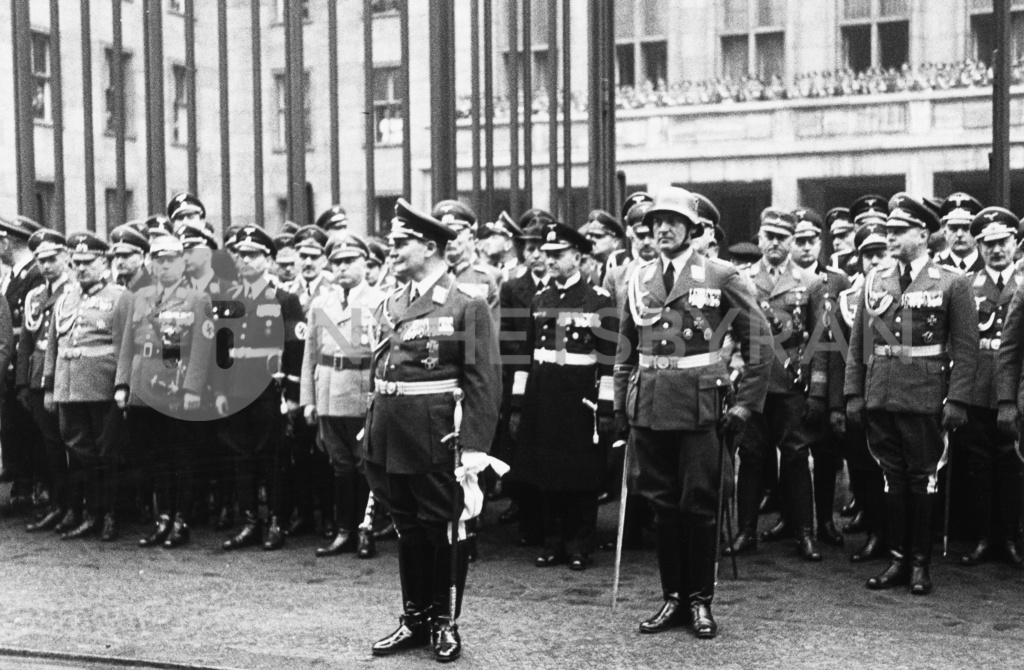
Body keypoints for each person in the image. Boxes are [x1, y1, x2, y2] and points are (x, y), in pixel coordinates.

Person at [614, 186, 771, 639]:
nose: (661, 229)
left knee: (699, 504)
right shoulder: (638, 278)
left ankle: (701, 600)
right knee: (662, 504)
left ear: (694, 229)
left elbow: (758, 343)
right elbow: (625, 350)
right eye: (655, 222)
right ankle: (673, 598)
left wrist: (745, 405)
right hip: (650, 405)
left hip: (702, 405)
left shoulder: (721, 275)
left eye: (672, 222)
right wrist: (619, 405)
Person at [365, 199, 500, 663]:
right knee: (407, 527)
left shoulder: (466, 304)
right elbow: (380, 367)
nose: (392, 250)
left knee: (444, 528)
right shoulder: (391, 302)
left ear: (429, 246)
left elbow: (483, 380)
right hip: (392, 430)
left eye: (401, 243)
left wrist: (475, 449)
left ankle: (444, 620)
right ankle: (414, 617)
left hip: (437, 434)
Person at [845, 193, 978, 596]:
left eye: (899, 230)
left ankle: (920, 563)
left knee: (923, 481)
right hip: (881, 393)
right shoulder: (875, 279)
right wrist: (853, 392)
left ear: (923, 233)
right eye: (888, 230)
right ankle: (898, 559)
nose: (890, 237)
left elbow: (967, 349)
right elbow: (859, 344)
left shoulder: (952, 282)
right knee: (892, 479)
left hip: (924, 395)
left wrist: (957, 400)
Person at [724, 208, 827, 562]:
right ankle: (746, 531)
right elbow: (729, 335)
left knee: (797, 456)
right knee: (750, 456)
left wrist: (816, 389)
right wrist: (730, 375)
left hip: (791, 383)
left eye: (783, 238)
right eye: (769, 236)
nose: (775, 244)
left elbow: (818, 341)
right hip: (753, 383)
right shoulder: (741, 279)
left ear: (792, 242)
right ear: (760, 238)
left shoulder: (810, 283)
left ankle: (805, 533)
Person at [514, 221, 616, 571]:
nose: (550, 260)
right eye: (547, 254)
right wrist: (517, 404)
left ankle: (580, 544)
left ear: (578, 257)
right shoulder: (539, 299)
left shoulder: (598, 300)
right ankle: (552, 541)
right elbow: (526, 355)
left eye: (558, 254)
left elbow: (609, 361)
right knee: (547, 474)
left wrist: (605, 407)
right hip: (544, 398)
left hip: (579, 401)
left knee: (580, 477)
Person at [115, 234, 213, 548]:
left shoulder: (197, 298)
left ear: (182, 262)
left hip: (176, 385)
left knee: (179, 457)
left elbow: (201, 348)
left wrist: (193, 388)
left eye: (170, 259)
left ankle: (181, 519)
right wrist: (122, 384)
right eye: (158, 259)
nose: (164, 265)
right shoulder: (139, 296)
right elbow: (127, 345)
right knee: (154, 457)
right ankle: (163, 518)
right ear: (150, 262)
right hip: (144, 386)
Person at [218, 225, 305, 552]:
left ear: (268, 259)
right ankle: (250, 521)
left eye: (253, 254)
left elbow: (295, 350)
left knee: (272, 457)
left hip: (270, 387)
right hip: (237, 387)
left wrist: (294, 396)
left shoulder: (285, 298)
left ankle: (276, 522)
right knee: (241, 456)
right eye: (240, 254)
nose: (245, 260)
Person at [43, 232, 133, 541]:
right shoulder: (65, 299)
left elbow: (125, 346)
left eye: (87, 262)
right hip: (69, 388)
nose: (80, 268)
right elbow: (54, 346)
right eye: (75, 263)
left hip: (103, 386)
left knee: (107, 453)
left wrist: (122, 385)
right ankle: (91, 513)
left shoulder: (120, 297)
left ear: (104, 263)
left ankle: (109, 515)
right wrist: (50, 387)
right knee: (79, 452)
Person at [300, 233, 385, 558]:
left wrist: (379, 399)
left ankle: (366, 530)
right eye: (336, 262)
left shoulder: (380, 300)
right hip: (328, 393)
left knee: (365, 465)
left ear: (365, 263)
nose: (342, 268)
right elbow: (311, 354)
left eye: (350, 261)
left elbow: (383, 356)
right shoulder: (321, 303)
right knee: (340, 466)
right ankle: (343, 530)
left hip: (361, 393)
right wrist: (309, 400)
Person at [953, 207, 1023, 568]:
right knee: (979, 464)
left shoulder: (1022, 283)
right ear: (979, 245)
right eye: (989, 244)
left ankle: (1009, 539)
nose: (996, 250)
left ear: (1015, 242)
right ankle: (983, 538)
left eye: (1003, 242)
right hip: (978, 386)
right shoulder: (965, 284)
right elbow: (960, 342)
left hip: (1016, 388)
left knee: (1012, 463)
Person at [792, 208, 852, 547]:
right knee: (793, 454)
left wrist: (828, 397)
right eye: (798, 240)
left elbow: (835, 341)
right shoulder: (778, 280)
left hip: (825, 380)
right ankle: (793, 522)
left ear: (820, 242)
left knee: (827, 455)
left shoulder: (836, 281)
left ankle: (826, 521)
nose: (805, 247)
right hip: (787, 378)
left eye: (811, 240)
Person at [835, 224, 891, 562]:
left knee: (897, 468)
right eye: (869, 255)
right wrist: (845, 398)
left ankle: (902, 537)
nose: (876, 260)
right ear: (859, 260)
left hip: (896, 389)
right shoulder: (848, 300)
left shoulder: (906, 292)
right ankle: (875, 533)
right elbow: (841, 355)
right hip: (861, 393)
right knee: (865, 468)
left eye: (882, 252)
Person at [497, 215, 552, 546]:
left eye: (542, 247)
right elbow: (508, 336)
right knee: (522, 449)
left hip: (558, 378)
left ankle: (552, 521)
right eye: (529, 247)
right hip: (523, 378)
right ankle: (528, 518)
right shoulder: (513, 287)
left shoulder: (571, 285)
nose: (536, 254)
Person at [19, 230, 71, 533]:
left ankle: (73, 505)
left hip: (64, 376)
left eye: (52, 258)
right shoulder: (34, 296)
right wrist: (23, 383)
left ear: (65, 257)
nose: (47, 265)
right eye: (41, 260)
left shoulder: (72, 292)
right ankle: (57, 505)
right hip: (38, 378)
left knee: (69, 445)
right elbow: (27, 340)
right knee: (48, 445)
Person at [0, 215, 44, 513]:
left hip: (24, 358)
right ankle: (22, 479)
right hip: (12, 358)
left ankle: (36, 483)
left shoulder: (34, 275)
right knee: (15, 423)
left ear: (7, 241)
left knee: (32, 424)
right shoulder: (11, 276)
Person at [935, 193, 984, 273]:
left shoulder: (989, 267)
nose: (959, 234)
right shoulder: (935, 267)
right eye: (953, 228)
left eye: (966, 228)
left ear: (977, 231)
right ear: (944, 231)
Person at [109, 224, 154, 291]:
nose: (119, 262)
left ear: (141, 258)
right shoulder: (112, 288)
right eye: (117, 256)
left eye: (125, 256)